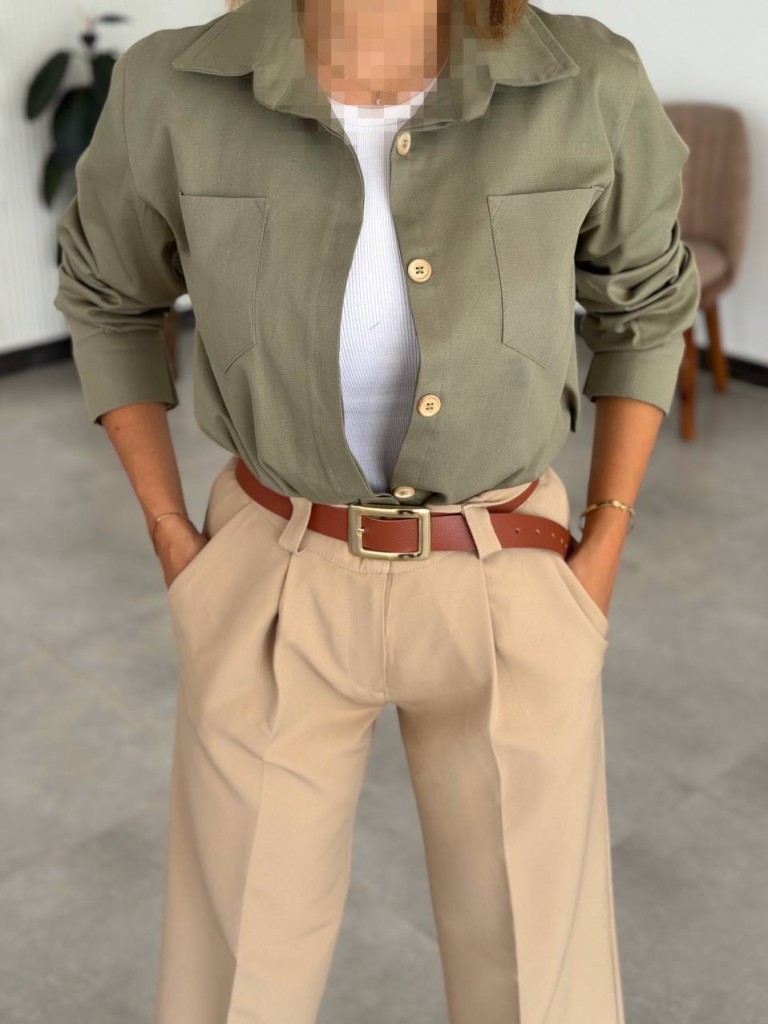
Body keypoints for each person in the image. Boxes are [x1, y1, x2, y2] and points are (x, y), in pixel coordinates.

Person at [52, 0, 701, 1021]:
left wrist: (608, 533)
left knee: (538, 977)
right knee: (235, 979)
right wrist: (171, 532)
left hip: (510, 571)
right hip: (272, 575)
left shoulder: (586, 79)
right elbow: (106, 294)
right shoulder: (171, 86)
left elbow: (647, 306)